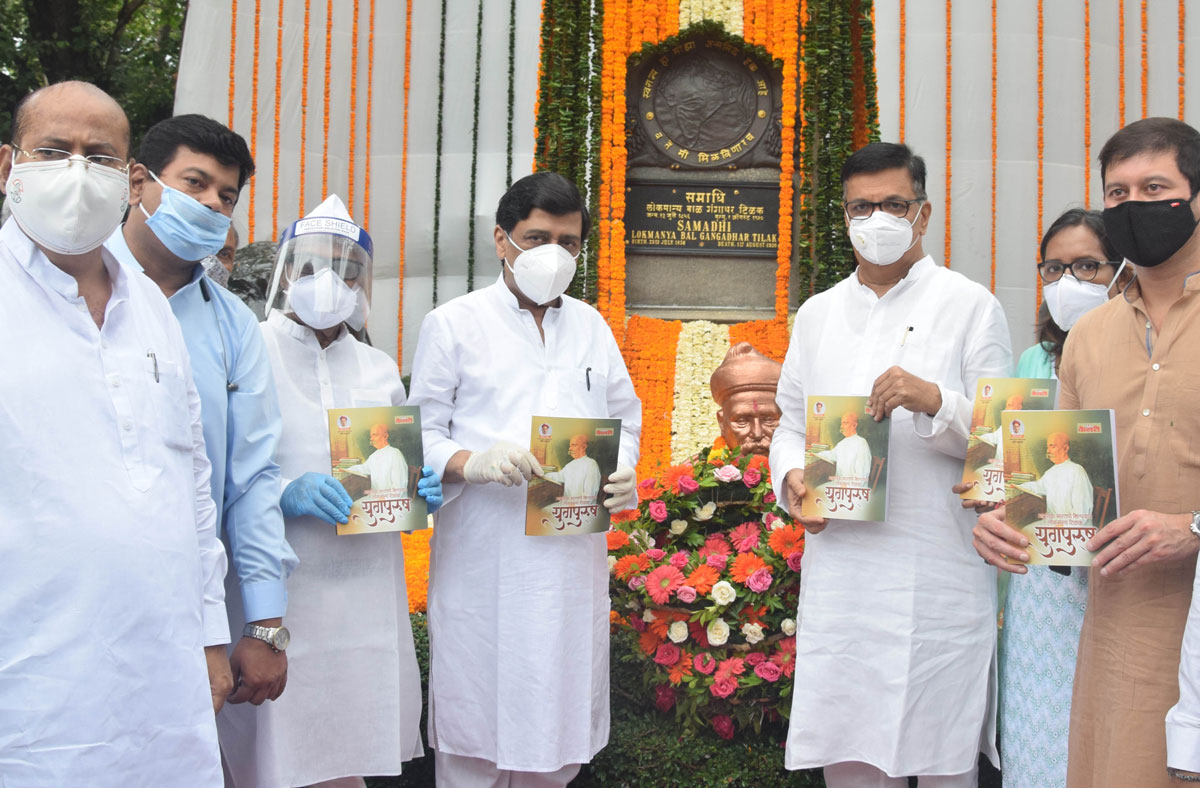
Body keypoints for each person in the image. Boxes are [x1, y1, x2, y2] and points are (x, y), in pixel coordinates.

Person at [0, 81, 230, 784]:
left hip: (163, 684)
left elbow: (191, 481)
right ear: (9, 167)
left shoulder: (152, 311)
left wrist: (211, 634)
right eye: (52, 151)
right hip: (32, 692)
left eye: (98, 156)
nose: (76, 171)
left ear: (129, 180)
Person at [769, 142, 1011, 786]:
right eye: (862, 207)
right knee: (849, 753)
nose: (877, 219)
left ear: (923, 213)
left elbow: (1006, 447)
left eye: (894, 205)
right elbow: (789, 425)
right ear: (845, 216)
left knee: (941, 755)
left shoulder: (970, 305)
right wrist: (791, 479)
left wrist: (937, 401)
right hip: (842, 578)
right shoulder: (818, 313)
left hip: (936, 578)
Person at [974, 117, 1200, 787]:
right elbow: (1059, 490)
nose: (1133, 205)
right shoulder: (1090, 337)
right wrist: (1009, 521)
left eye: (1154, 188)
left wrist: (1191, 527)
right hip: (1114, 637)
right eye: (1118, 193)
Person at [408, 171, 642, 788]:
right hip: (484, 558)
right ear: (501, 240)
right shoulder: (453, 323)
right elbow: (421, 433)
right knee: (476, 730)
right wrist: (471, 462)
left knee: (555, 729)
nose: (553, 254)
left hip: (569, 563)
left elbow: (625, 418)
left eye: (568, 243)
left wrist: (624, 469)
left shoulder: (592, 325)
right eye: (537, 238)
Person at [219, 193, 440, 788]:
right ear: (286, 271)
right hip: (276, 592)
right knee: (270, 749)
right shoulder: (249, 348)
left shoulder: (377, 367)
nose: (329, 282)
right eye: (314, 265)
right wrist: (284, 491)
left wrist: (417, 486)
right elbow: (216, 466)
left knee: (348, 742)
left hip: (365, 594)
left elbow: (395, 464)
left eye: (346, 270)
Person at [105, 113, 296, 709]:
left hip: (187, 599)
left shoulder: (233, 324)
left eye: (227, 196)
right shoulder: (68, 284)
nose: (213, 203)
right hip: (66, 587)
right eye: (195, 183)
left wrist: (264, 623)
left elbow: (251, 477)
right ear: (139, 181)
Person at [709, 342, 783, 457]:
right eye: (742, 421)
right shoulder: (698, 468)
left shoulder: (808, 465)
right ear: (722, 422)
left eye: (769, 420)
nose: (757, 434)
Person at [1018, 433, 1094, 524]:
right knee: (1025, 530)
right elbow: (1038, 486)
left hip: (1072, 527)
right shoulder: (1050, 472)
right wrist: (1017, 486)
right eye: (1047, 447)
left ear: (1065, 448)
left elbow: (1082, 511)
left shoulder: (1077, 471)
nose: (1048, 451)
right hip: (1053, 524)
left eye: (1052, 446)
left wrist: (1061, 526)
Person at [344, 422, 411, 492]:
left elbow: (400, 485)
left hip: (393, 497)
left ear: (385, 436)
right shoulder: (374, 455)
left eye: (374, 435)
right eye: (371, 436)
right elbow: (364, 468)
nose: (371, 439)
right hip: (376, 496)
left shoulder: (395, 454)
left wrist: (386, 497)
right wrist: (346, 470)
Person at [816, 411, 872, 482]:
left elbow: (861, 476)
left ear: (854, 425)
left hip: (854, 486)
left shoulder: (861, 443)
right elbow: (831, 454)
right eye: (841, 423)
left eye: (845, 423)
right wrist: (816, 454)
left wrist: (845, 486)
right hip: (839, 484)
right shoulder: (842, 443)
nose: (841, 426)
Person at [544, 434, 602, 499]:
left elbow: (590, 494)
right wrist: (543, 474)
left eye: (574, 445)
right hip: (566, 503)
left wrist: (574, 504)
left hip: (582, 504)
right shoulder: (570, 465)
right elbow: (559, 476)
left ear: (584, 447)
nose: (570, 448)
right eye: (570, 446)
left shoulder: (591, 464)